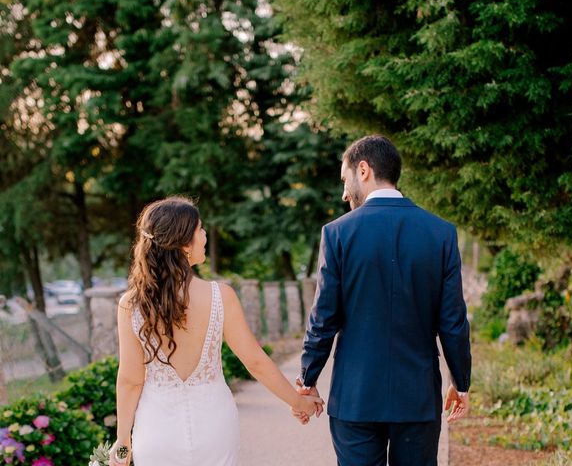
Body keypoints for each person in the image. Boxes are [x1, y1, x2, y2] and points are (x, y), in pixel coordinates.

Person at [294, 135, 472, 465]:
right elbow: (453, 322)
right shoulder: (440, 233)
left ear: (364, 170)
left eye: (345, 179)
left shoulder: (337, 234)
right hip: (417, 399)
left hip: (355, 400)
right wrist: (460, 382)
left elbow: (323, 318)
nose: (344, 193)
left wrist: (308, 378)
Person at [110, 196, 322, 466]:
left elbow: (130, 380)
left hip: (156, 433)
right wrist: (298, 402)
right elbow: (255, 361)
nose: (205, 235)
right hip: (214, 427)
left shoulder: (130, 304)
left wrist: (123, 440)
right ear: (185, 243)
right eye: (200, 229)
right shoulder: (220, 296)